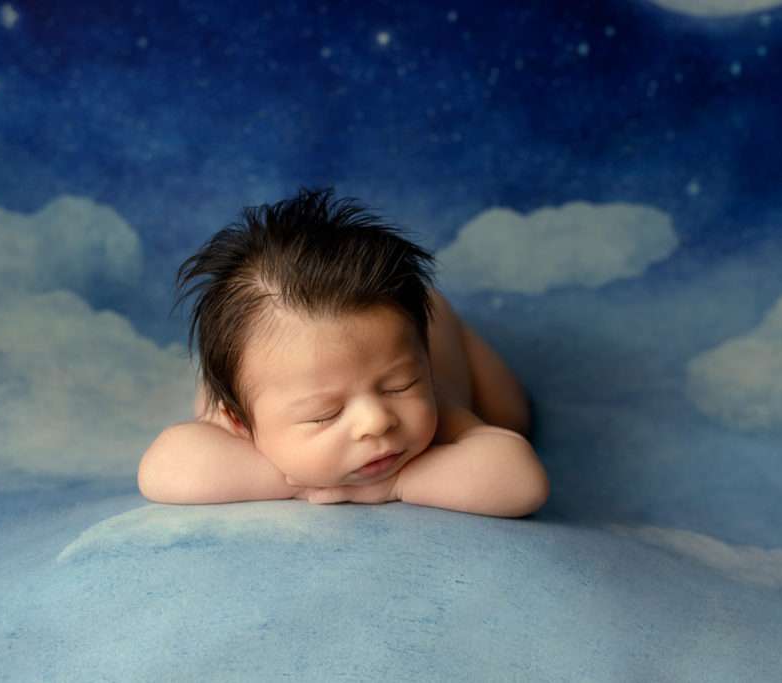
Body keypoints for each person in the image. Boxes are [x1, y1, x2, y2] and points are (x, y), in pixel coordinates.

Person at [137, 187, 549, 517]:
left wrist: (393, 484)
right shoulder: (238, 407)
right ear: (239, 423)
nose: (376, 421)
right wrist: (302, 481)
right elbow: (162, 470)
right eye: (325, 414)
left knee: (511, 414)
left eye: (400, 387)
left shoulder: (435, 401)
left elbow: (521, 481)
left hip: (442, 327)